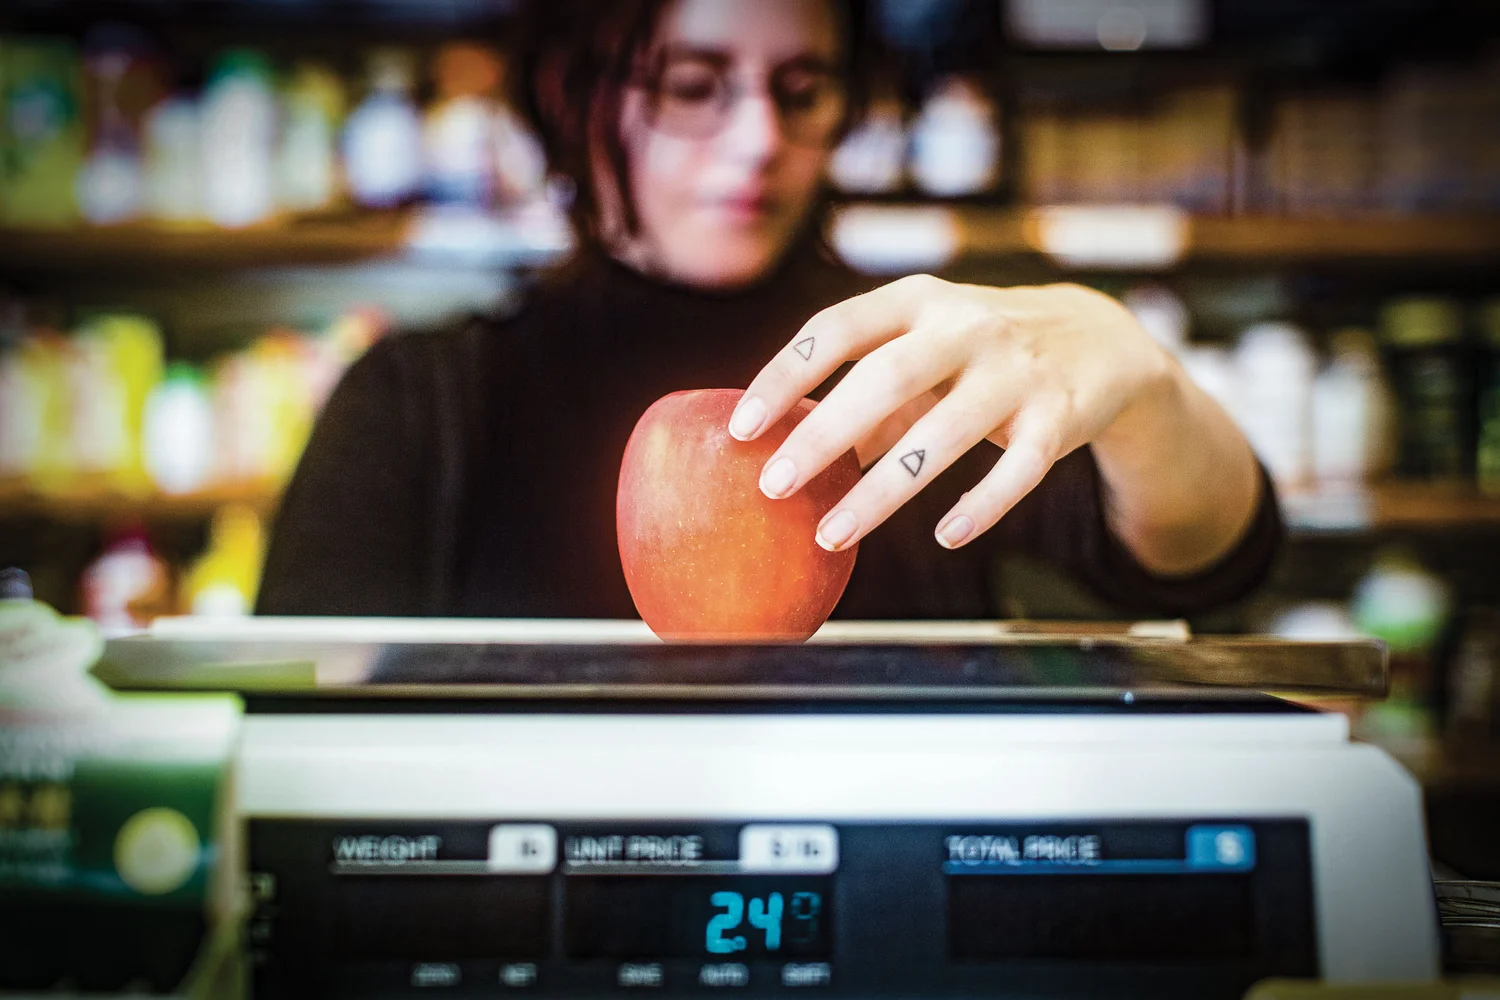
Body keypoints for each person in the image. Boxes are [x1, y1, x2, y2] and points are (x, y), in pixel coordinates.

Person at [257, 0, 1280, 620]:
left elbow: (1202, 564)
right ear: (574, 94)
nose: (757, 140)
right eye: (695, 84)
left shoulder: (920, 361)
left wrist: (1142, 386)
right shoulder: (418, 401)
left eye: (804, 89)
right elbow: (302, 731)